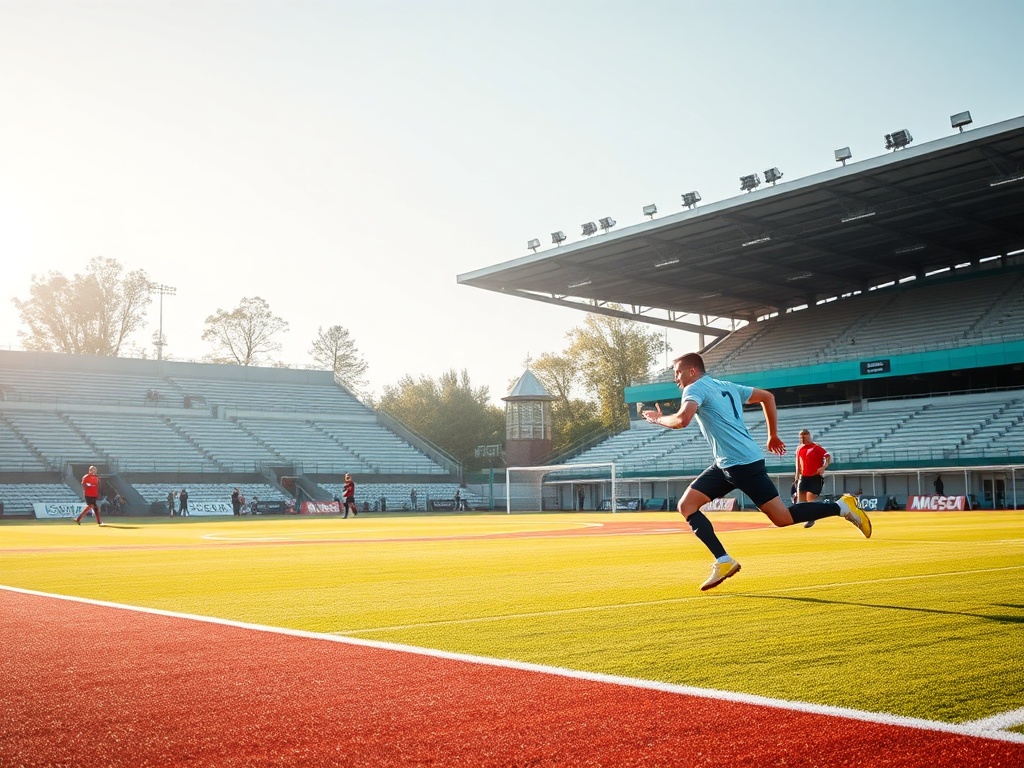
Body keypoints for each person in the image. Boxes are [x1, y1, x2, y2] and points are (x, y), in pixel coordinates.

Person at [641, 353, 871, 591]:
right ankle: (724, 560)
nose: (675, 378)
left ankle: (841, 507)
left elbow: (682, 420)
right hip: (727, 464)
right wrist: (772, 435)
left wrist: (658, 419)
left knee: (782, 518)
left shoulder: (694, 388)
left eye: (677, 372)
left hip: (742, 464)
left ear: (692, 371)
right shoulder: (726, 386)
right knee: (687, 505)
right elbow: (767, 397)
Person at [795, 429, 832, 528]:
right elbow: (798, 463)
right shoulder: (799, 448)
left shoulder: (815, 447)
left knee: (810, 497)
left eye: (804, 437)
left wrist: (824, 467)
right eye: (800, 437)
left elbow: (827, 456)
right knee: (801, 501)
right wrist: (797, 475)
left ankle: (811, 518)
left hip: (815, 477)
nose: (802, 439)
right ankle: (805, 517)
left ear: (808, 435)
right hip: (804, 477)